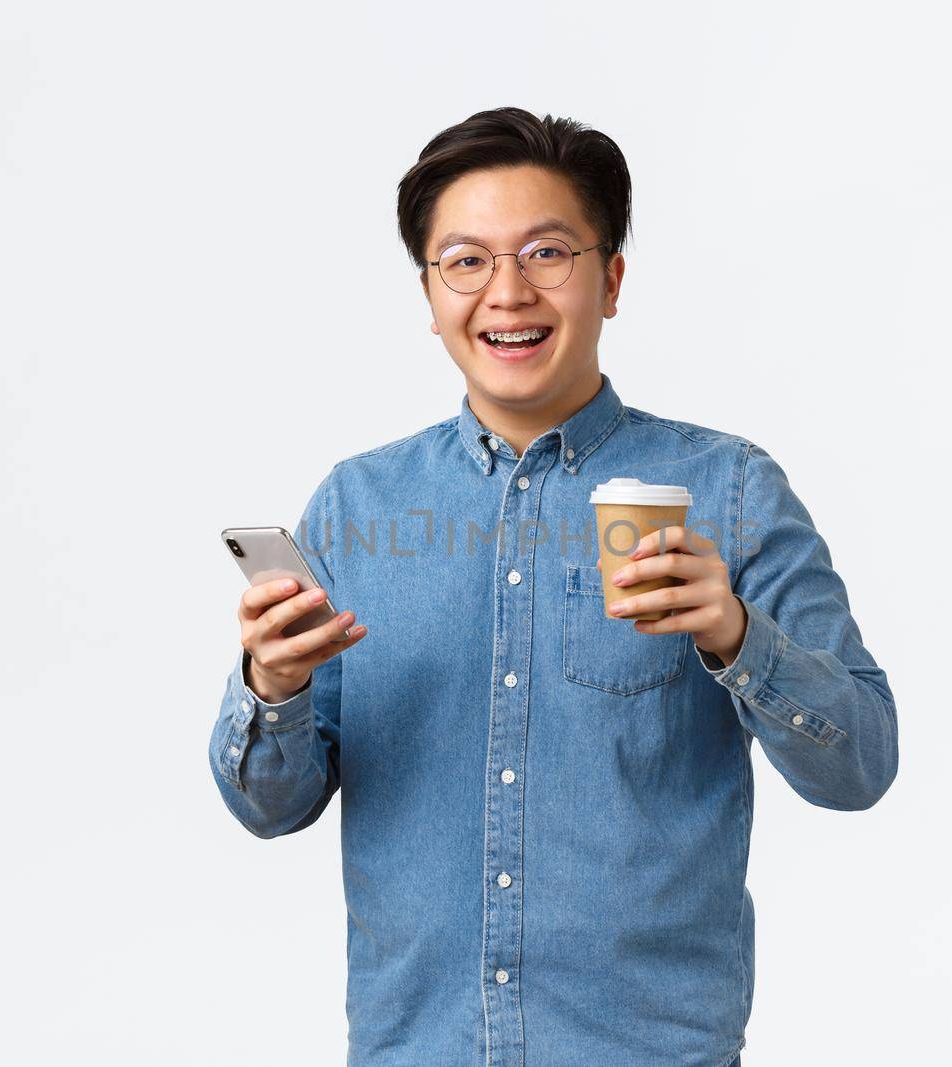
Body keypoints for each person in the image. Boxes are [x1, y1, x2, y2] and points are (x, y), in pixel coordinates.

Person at [208, 106, 899, 1067]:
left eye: (546, 253)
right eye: (466, 260)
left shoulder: (729, 492)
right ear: (429, 290)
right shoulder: (358, 506)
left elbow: (860, 764)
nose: (508, 292)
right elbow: (267, 807)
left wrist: (740, 638)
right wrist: (270, 687)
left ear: (611, 279)